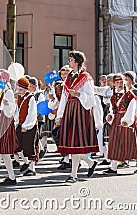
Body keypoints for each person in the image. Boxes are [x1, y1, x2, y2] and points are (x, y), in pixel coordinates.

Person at [55, 51, 99, 183]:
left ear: (77, 62)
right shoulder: (69, 78)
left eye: (71, 60)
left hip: (80, 110)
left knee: (75, 143)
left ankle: (74, 175)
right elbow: (64, 97)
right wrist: (60, 115)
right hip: (70, 110)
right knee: (71, 143)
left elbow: (91, 99)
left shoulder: (86, 77)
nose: (69, 61)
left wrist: (79, 95)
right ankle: (89, 163)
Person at [104, 74, 137, 174]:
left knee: (133, 142)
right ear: (114, 83)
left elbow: (132, 108)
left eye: (121, 82)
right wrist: (110, 116)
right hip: (117, 121)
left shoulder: (130, 95)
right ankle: (113, 168)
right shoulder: (113, 97)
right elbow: (112, 110)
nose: (119, 84)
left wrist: (127, 120)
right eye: (117, 82)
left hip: (128, 121)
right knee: (115, 143)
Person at [14, 77, 39, 176]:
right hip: (20, 124)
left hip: (30, 126)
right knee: (17, 145)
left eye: (21, 89)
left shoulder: (31, 98)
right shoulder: (19, 98)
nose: (19, 91)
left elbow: (31, 113)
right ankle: (26, 163)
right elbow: (17, 111)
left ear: (26, 89)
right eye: (18, 89)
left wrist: (26, 125)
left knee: (29, 147)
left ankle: (32, 168)